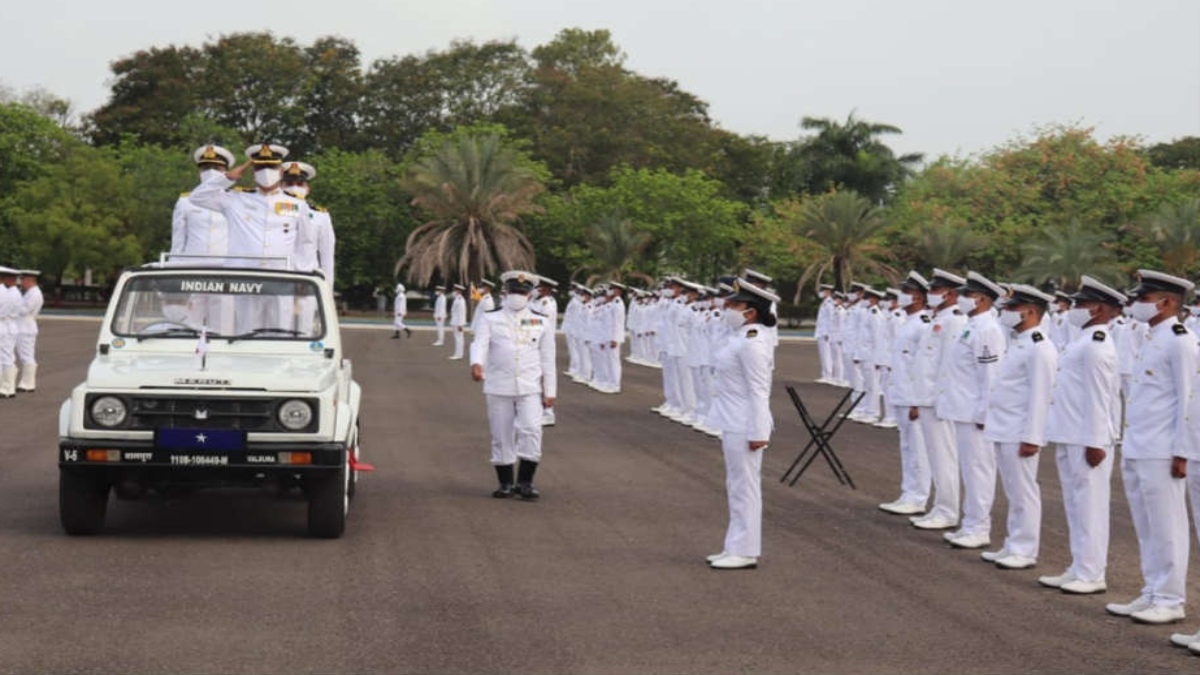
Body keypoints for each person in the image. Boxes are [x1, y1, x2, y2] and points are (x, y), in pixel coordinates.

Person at [1106, 270, 1195, 626]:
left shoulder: (1180, 341)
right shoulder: (1150, 336)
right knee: (1146, 524)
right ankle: (1152, 590)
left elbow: (1190, 400)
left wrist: (1183, 451)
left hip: (1163, 449)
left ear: (1167, 302)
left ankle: (1172, 598)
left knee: (1168, 525)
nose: (1137, 304)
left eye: (1144, 299)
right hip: (1139, 444)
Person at [1040, 275, 1124, 594]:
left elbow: (1101, 397)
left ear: (1099, 309)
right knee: (1076, 504)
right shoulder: (1084, 339)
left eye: (1081, 304)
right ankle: (1078, 565)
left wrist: (1096, 440)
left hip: (1087, 438)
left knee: (1090, 505)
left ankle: (1092, 573)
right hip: (1071, 432)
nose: (1074, 308)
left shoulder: (1097, 345)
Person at [187, 143, 316, 334]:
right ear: (253, 172)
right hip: (245, 279)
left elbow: (306, 243)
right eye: (259, 167)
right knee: (246, 332)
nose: (266, 171)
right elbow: (197, 198)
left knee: (280, 333)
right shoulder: (236, 199)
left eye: (271, 167)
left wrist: (302, 276)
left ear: (280, 171)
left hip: (281, 278)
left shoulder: (296, 204)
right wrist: (226, 179)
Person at [980, 284, 1058, 570]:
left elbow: (1041, 396)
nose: (1005, 313)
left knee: (1024, 491)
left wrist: (1033, 437)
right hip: (1005, 426)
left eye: (1012, 309)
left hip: (1020, 430)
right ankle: (1013, 543)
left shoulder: (1040, 348)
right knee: (1013, 490)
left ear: (1030, 311)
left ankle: (1025, 549)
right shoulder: (1020, 342)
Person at [705, 279, 778, 570]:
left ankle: (746, 550)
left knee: (744, 487)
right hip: (733, 419)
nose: (727, 308)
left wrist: (759, 432)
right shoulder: (739, 337)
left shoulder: (752, 343)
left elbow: (760, 390)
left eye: (734, 305)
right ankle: (735, 546)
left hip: (745, 423)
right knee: (736, 486)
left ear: (750, 312)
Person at [470, 271, 557, 500]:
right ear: (506, 292)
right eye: (514, 292)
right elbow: (479, 343)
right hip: (499, 384)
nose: (517, 296)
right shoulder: (490, 318)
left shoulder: (541, 320)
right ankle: (506, 483)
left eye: (522, 292)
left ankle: (525, 482)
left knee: (532, 430)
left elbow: (548, 358)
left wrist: (550, 391)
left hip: (530, 386)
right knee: (501, 433)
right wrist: (477, 363)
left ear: (530, 295)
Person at [938, 271, 1007, 550]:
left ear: (980, 300)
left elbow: (990, 375)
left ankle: (979, 528)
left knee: (979, 470)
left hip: (975, 414)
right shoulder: (972, 326)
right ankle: (970, 523)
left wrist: (985, 414)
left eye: (966, 295)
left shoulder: (988, 329)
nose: (961, 299)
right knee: (970, 468)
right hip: (963, 410)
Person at [910, 269, 968, 531]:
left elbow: (948, 365)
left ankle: (947, 510)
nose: (930, 295)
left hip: (938, 402)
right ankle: (939, 506)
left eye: (935, 290)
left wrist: (938, 400)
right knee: (935, 455)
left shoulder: (954, 320)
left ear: (951, 293)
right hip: (926, 398)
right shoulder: (938, 319)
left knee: (943, 456)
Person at [879, 271, 933, 516]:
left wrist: (916, 401)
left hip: (913, 397)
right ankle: (908, 492)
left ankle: (918, 497)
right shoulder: (907, 322)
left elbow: (924, 367)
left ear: (920, 297)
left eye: (908, 292)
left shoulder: (924, 325)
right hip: (900, 393)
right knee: (907, 447)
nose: (902, 296)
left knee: (918, 448)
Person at [171, 144, 235, 264]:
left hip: (225, 266)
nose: (211, 171)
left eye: (217, 168)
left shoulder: (234, 200)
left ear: (225, 171)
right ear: (199, 171)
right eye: (205, 168)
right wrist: (173, 265)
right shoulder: (185, 201)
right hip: (191, 266)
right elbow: (178, 241)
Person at [15, 270, 43, 393]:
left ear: (30, 280)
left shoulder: (34, 293)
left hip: (25, 327)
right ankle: (26, 382)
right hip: (23, 326)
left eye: (23, 280)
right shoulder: (31, 292)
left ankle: (28, 383)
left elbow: (25, 310)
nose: (22, 282)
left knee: (26, 355)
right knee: (25, 355)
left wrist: (12, 305)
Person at [0, 266, 20, 398]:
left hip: (3, 324)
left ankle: (5, 388)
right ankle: (8, 388)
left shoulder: (3, 292)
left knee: (4, 357)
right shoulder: (14, 292)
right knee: (7, 357)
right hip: (10, 325)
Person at [815, 284, 836, 384]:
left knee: (827, 354)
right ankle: (825, 374)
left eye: (822, 290)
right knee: (823, 355)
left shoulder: (830, 304)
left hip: (825, 333)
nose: (821, 292)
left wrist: (829, 333)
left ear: (828, 291)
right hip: (821, 332)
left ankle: (828, 375)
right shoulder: (824, 303)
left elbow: (831, 319)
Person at [449, 284, 468, 360]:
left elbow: (461, 312)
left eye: (455, 290)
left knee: (459, 339)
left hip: (458, 323)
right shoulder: (457, 299)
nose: (454, 291)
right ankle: (458, 354)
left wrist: (460, 324)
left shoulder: (460, 300)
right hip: (455, 322)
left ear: (459, 291)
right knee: (458, 338)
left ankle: (458, 355)